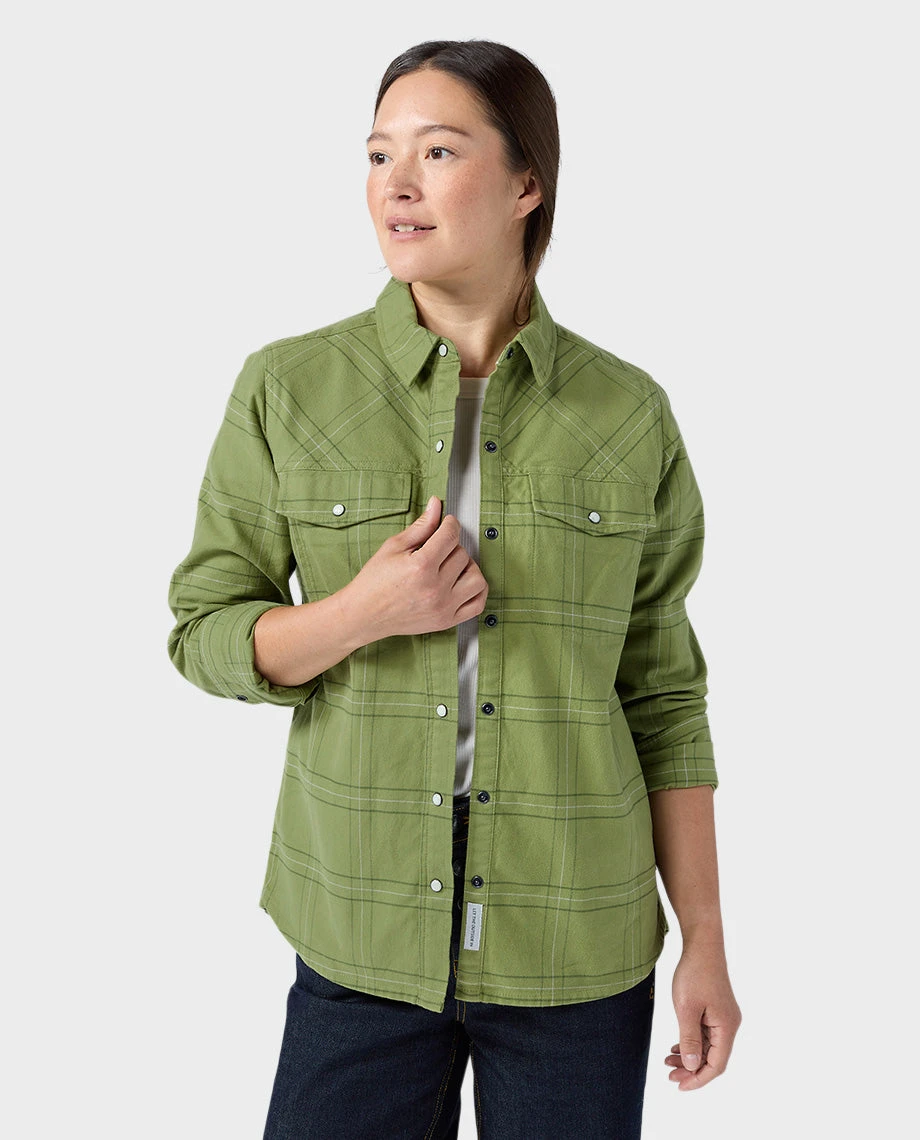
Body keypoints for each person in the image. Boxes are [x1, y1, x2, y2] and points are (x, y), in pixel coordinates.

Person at [167, 38, 741, 1140]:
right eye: (378, 153)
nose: (395, 183)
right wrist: (359, 614)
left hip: (575, 939)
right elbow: (204, 630)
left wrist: (704, 944)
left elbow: (664, 697)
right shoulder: (288, 386)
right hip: (358, 931)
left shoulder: (627, 412)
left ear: (527, 183)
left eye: (437, 151)